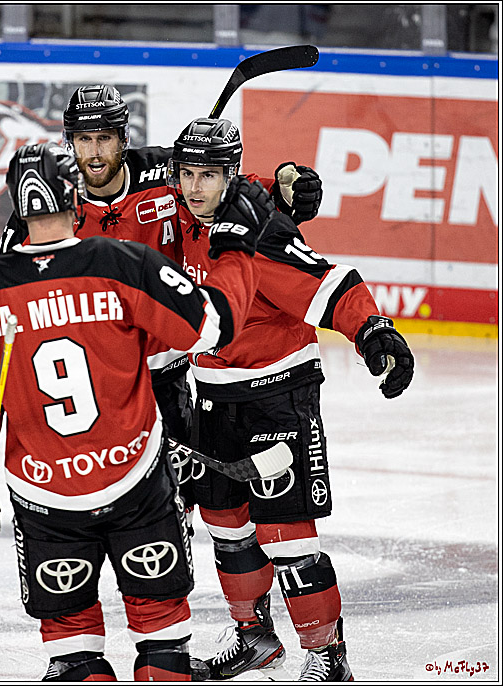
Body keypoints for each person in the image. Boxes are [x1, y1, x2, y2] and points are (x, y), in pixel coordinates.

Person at [0, 142, 275, 681]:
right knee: (163, 643)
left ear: (16, 208)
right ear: (76, 197)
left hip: (42, 492)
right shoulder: (122, 264)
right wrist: (236, 253)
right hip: (133, 482)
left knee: (74, 654)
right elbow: (212, 327)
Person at [166, 118, 415, 682]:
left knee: (286, 534)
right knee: (226, 525)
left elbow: (328, 284)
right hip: (211, 392)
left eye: (209, 175)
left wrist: (374, 333)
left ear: (230, 176)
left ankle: (327, 654)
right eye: (188, 174)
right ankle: (255, 637)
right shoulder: (173, 221)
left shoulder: (260, 231)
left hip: (279, 394)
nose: (196, 188)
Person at [0, 84, 324, 508]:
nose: (94, 153)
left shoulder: (163, 172)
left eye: (105, 139)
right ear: (68, 142)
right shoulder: (49, 199)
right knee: (101, 496)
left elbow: (221, 187)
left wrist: (278, 192)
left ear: (124, 138)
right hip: (93, 381)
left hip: (165, 377)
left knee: (169, 505)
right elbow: (6, 288)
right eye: (83, 140)